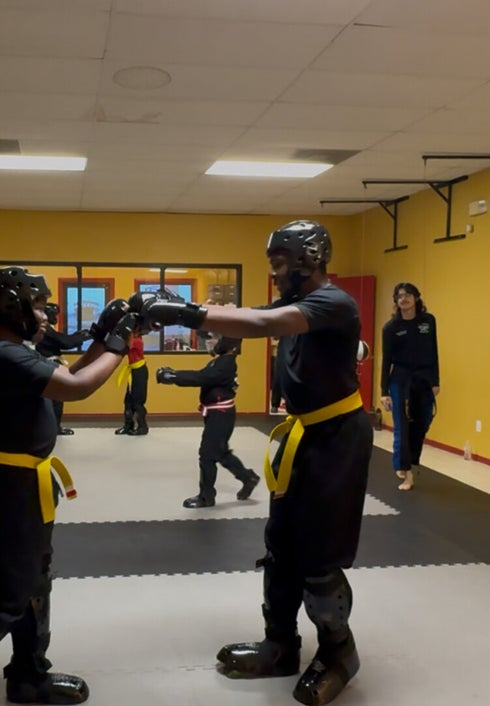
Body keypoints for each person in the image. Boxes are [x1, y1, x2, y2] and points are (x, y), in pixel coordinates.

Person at [136, 220, 373, 706]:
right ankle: (280, 644)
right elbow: (247, 314)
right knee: (281, 542)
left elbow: (262, 324)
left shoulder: (334, 302)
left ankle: (339, 652)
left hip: (336, 439)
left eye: (280, 262)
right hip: (303, 434)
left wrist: (187, 312)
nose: (275, 272)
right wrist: (170, 309)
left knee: (319, 554)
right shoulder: (294, 304)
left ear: (307, 257)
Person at [0, 266, 141, 706]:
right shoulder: (4, 355)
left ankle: (28, 676)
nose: (46, 316)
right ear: (15, 308)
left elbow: (63, 378)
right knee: (10, 593)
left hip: (19, 478)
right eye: (38, 307)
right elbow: (76, 388)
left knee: (36, 581)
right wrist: (121, 343)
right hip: (4, 482)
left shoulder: (16, 351)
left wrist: (101, 335)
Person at [156, 335, 260, 508]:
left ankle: (206, 497)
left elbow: (201, 377)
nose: (210, 341)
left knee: (206, 455)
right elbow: (205, 377)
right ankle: (248, 478)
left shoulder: (226, 363)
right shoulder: (221, 361)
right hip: (218, 414)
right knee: (220, 452)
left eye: (214, 338)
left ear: (228, 343)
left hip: (221, 415)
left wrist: (173, 376)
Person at [378, 282, 439, 492]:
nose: (404, 299)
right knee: (402, 425)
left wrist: (435, 381)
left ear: (416, 298)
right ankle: (406, 471)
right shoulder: (391, 328)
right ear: (396, 301)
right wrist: (384, 392)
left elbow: (434, 352)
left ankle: (410, 461)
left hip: (423, 377)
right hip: (400, 379)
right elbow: (386, 362)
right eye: (400, 296)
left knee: (422, 422)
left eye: (408, 295)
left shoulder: (428, 321)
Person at [36, 303, 92, 436]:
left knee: (55, 400)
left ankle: (54, 427)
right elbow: (65, 342)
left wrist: (78, 335)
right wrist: (83, 337)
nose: (55, 317)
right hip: (48, 366)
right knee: (55, 400)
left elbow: (62, 339)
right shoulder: (44, 329)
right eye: (53, 314)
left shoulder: (46, 329)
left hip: (47, 365)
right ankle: (53, 428)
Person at [114, 330, 149, 435]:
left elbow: (121, 347)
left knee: (138, 401)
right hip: (133, 371)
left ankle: (142, 427)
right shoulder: (132, 339)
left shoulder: (137, 341)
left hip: (139, 371)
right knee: (128, 400)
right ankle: (128, 426)